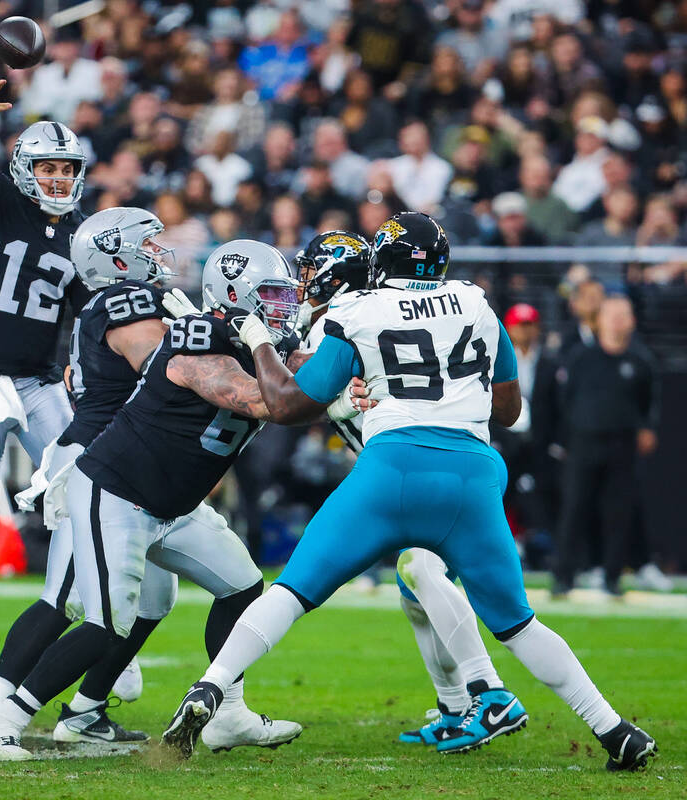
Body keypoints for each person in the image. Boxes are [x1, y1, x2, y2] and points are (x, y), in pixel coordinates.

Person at [163, 213, 657, 773]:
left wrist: (257, 339)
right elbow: (509, 409)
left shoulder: (356, 312)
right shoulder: (477, 304)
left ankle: (211, 687)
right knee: (518, 623)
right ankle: (614, 729)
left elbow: (286, 405)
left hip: (390, 471)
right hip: (471, 474)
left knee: (292, 592)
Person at [0, 240, 307, 761]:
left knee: (242, 587)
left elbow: (304, 375)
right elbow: (269, 401)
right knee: (106, 621)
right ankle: (0, 722)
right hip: (117, 492)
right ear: (237, 295)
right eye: (271, 296)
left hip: (172, 505)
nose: (283, 308)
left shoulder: (253, 345)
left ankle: (228, 714)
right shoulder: (199, 340)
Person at [0, 207, 177, 745]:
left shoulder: (126, 299)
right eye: (145, 246)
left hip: (133, 462)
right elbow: (170, 370)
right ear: (114, 256)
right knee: (65, 596)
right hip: (100, 462)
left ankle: (87, 707)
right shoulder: (123, 301)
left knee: (156, 595)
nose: (157, 254)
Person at [292, 229, 518, 749]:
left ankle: (489, 691)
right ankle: (457, 706)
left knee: (418, 570)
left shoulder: (348, 319)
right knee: (414, 589)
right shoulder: (355, 315)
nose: (301, 280)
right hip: (425, 470)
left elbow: (298, 398)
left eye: (310, 269)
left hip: (424, 468)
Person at [0, 80, 90, 717]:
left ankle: (93, 623)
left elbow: (92, 316)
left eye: (67, 169)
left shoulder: (83, 231)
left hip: (37, 381)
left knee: (82, 498)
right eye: (48, 168)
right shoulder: (0, 195)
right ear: (25, 169)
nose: (58, 179)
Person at [552, 296, 658, 597]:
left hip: (622, 444)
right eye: (611, 314)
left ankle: (613, 576)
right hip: (584, 442)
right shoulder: (579, 358)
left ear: (633, 321)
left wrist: (647, 428)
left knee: (619, 512)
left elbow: (650, 400)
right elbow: (564, 399)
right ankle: (563, 575)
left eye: (623, 314)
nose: (617, 321)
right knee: (574, 509)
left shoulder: (640, 360)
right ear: (598, 320)